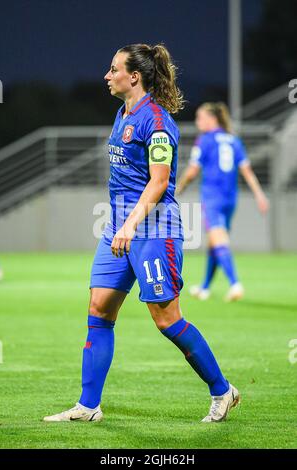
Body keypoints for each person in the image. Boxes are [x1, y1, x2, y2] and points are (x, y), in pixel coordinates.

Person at [44, 45, 240, 424]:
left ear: (133, 76)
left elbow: (159, 182)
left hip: (153, 230)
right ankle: (88, 406)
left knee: (167, 320)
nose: (107, 75)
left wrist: (131, 225)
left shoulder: (157, 120)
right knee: (99, 310)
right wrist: (122, 225)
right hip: (118, 228)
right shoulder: (123, 114)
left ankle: (223, 390)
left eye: (113, 68)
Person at [176, 102, 269, 301]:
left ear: (212, 119)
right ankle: (205, 288)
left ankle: (235, 284)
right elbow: (247, 172)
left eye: (200, 117)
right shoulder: (234, 140)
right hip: (230, 200)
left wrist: (179, 187)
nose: (197, 121)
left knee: (219, 241)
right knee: (213, 243)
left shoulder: (205, 140)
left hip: (212, 198)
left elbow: (192, 171)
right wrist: (260, 194)